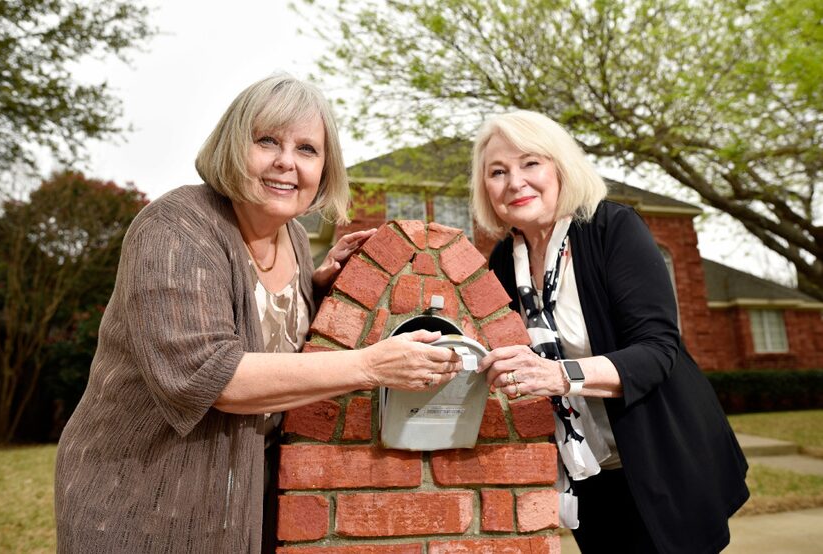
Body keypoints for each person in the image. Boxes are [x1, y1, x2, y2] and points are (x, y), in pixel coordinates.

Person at [54, 74, 462, 553]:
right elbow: (211, 377)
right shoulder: (176, 228)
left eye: (307, 149)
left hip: (238, 505)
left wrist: (317, 284)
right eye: (267, 140)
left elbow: (257, 322)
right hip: (138, 502)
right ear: (232, 145)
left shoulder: (290, 236)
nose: (286, 162)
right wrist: (371, 365)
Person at [472, 110, 749, 553]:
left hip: (662, 458)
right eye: (498, 171)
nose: (515, 182)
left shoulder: (611, 228)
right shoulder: (505, 260)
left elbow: (658, 350)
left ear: (560, 166)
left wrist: (561, 375)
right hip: (586, 467)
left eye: (530, 163)